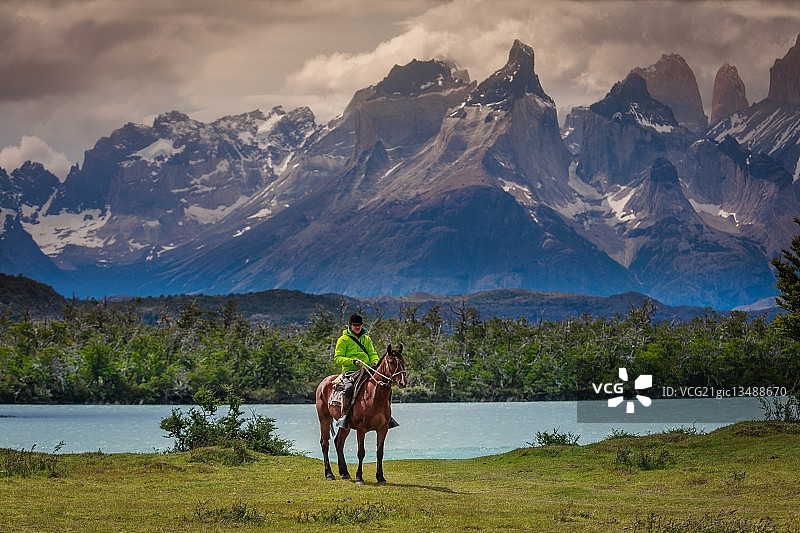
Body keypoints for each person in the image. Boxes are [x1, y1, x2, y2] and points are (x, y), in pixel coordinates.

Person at [333, 313, 379, 429]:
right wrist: (353, 362)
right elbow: (337, 358)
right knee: (348, 388)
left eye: (359, 325)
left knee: (381, 385)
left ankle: (386, 416)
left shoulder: (366, 338)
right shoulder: (343, 340)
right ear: (350, 326)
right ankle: (344, 415)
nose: (357, 327)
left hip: (367, 370)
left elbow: (372, 353)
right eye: (355, 325)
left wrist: (375, 361)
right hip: (350, 371)